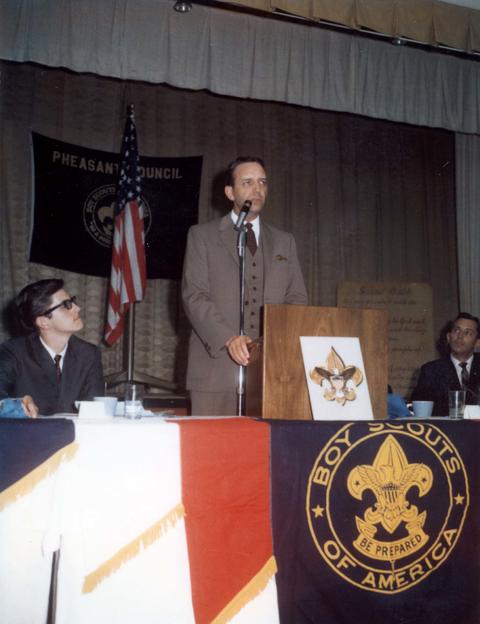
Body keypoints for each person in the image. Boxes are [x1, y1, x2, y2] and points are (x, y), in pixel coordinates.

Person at [182, 156, 308, 416]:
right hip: (214, 372)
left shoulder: (285, 242)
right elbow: (194, 296)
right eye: (247, 182)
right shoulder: (201, 236)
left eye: (262, 182)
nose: (257, 189)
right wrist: (228, 338)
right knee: (212, 452)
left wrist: (275, 345)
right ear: (230, 192)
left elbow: (297, 299)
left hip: (271, 374)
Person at [0, 278, 104, 416]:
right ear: (43, 322)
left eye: (72, 301)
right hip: (29, 435)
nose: (77, 308)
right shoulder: (13, 352)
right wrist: (16, 404)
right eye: (66, 305)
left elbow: (94, 410)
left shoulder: (89, 354)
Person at [411, 312, 480, 416]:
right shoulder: (431, 371)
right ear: (448, 337)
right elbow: (420, 413)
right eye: (456, 330)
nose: (460, 336)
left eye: (467, 332)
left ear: (477, 342)